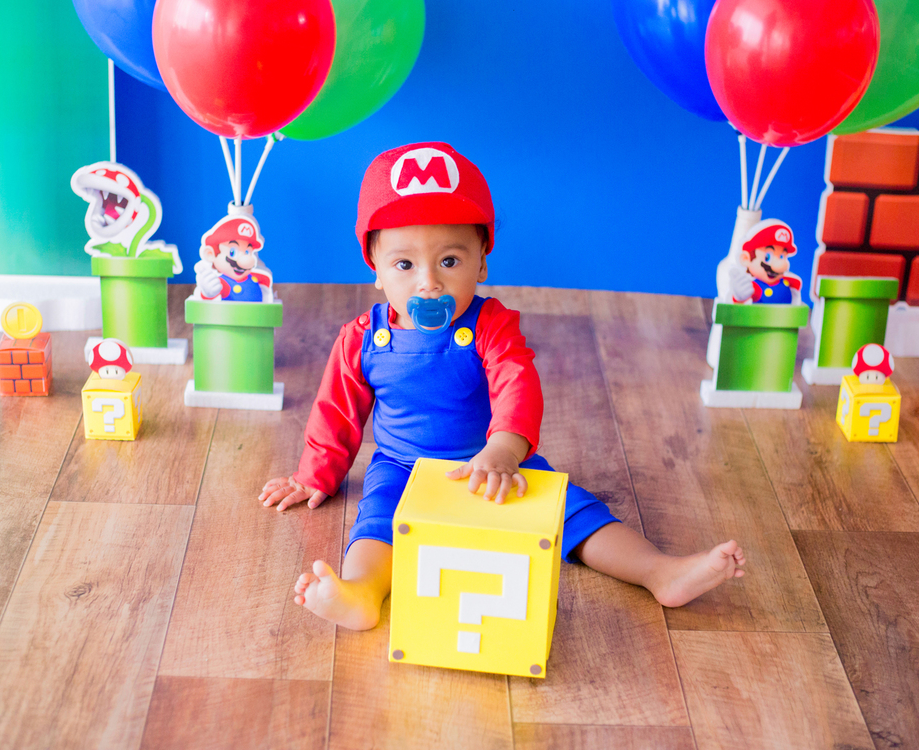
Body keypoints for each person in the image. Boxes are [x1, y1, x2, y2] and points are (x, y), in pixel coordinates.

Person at [260, 142, 746, 631]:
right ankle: (362, 593)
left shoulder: (491, 324)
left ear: (481, 264)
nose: (428, 283)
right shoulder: (363, 338)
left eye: (449, 261)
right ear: (377, 271)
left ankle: (659, 571)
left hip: (494, 459)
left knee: (573, 514)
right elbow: (336, 412)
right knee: (376, 524)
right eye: (405, 265)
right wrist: (315, 475)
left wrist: (504, 449)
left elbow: (517, 382)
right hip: (402, 464)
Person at [728, 219, 803, 304]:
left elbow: (796, 288)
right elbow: (739, 305)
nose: (781, 264)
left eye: (782, 256)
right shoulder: (755, 287)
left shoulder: (789, 281)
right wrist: (739, 298)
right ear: (746, 259)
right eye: (767, 257)